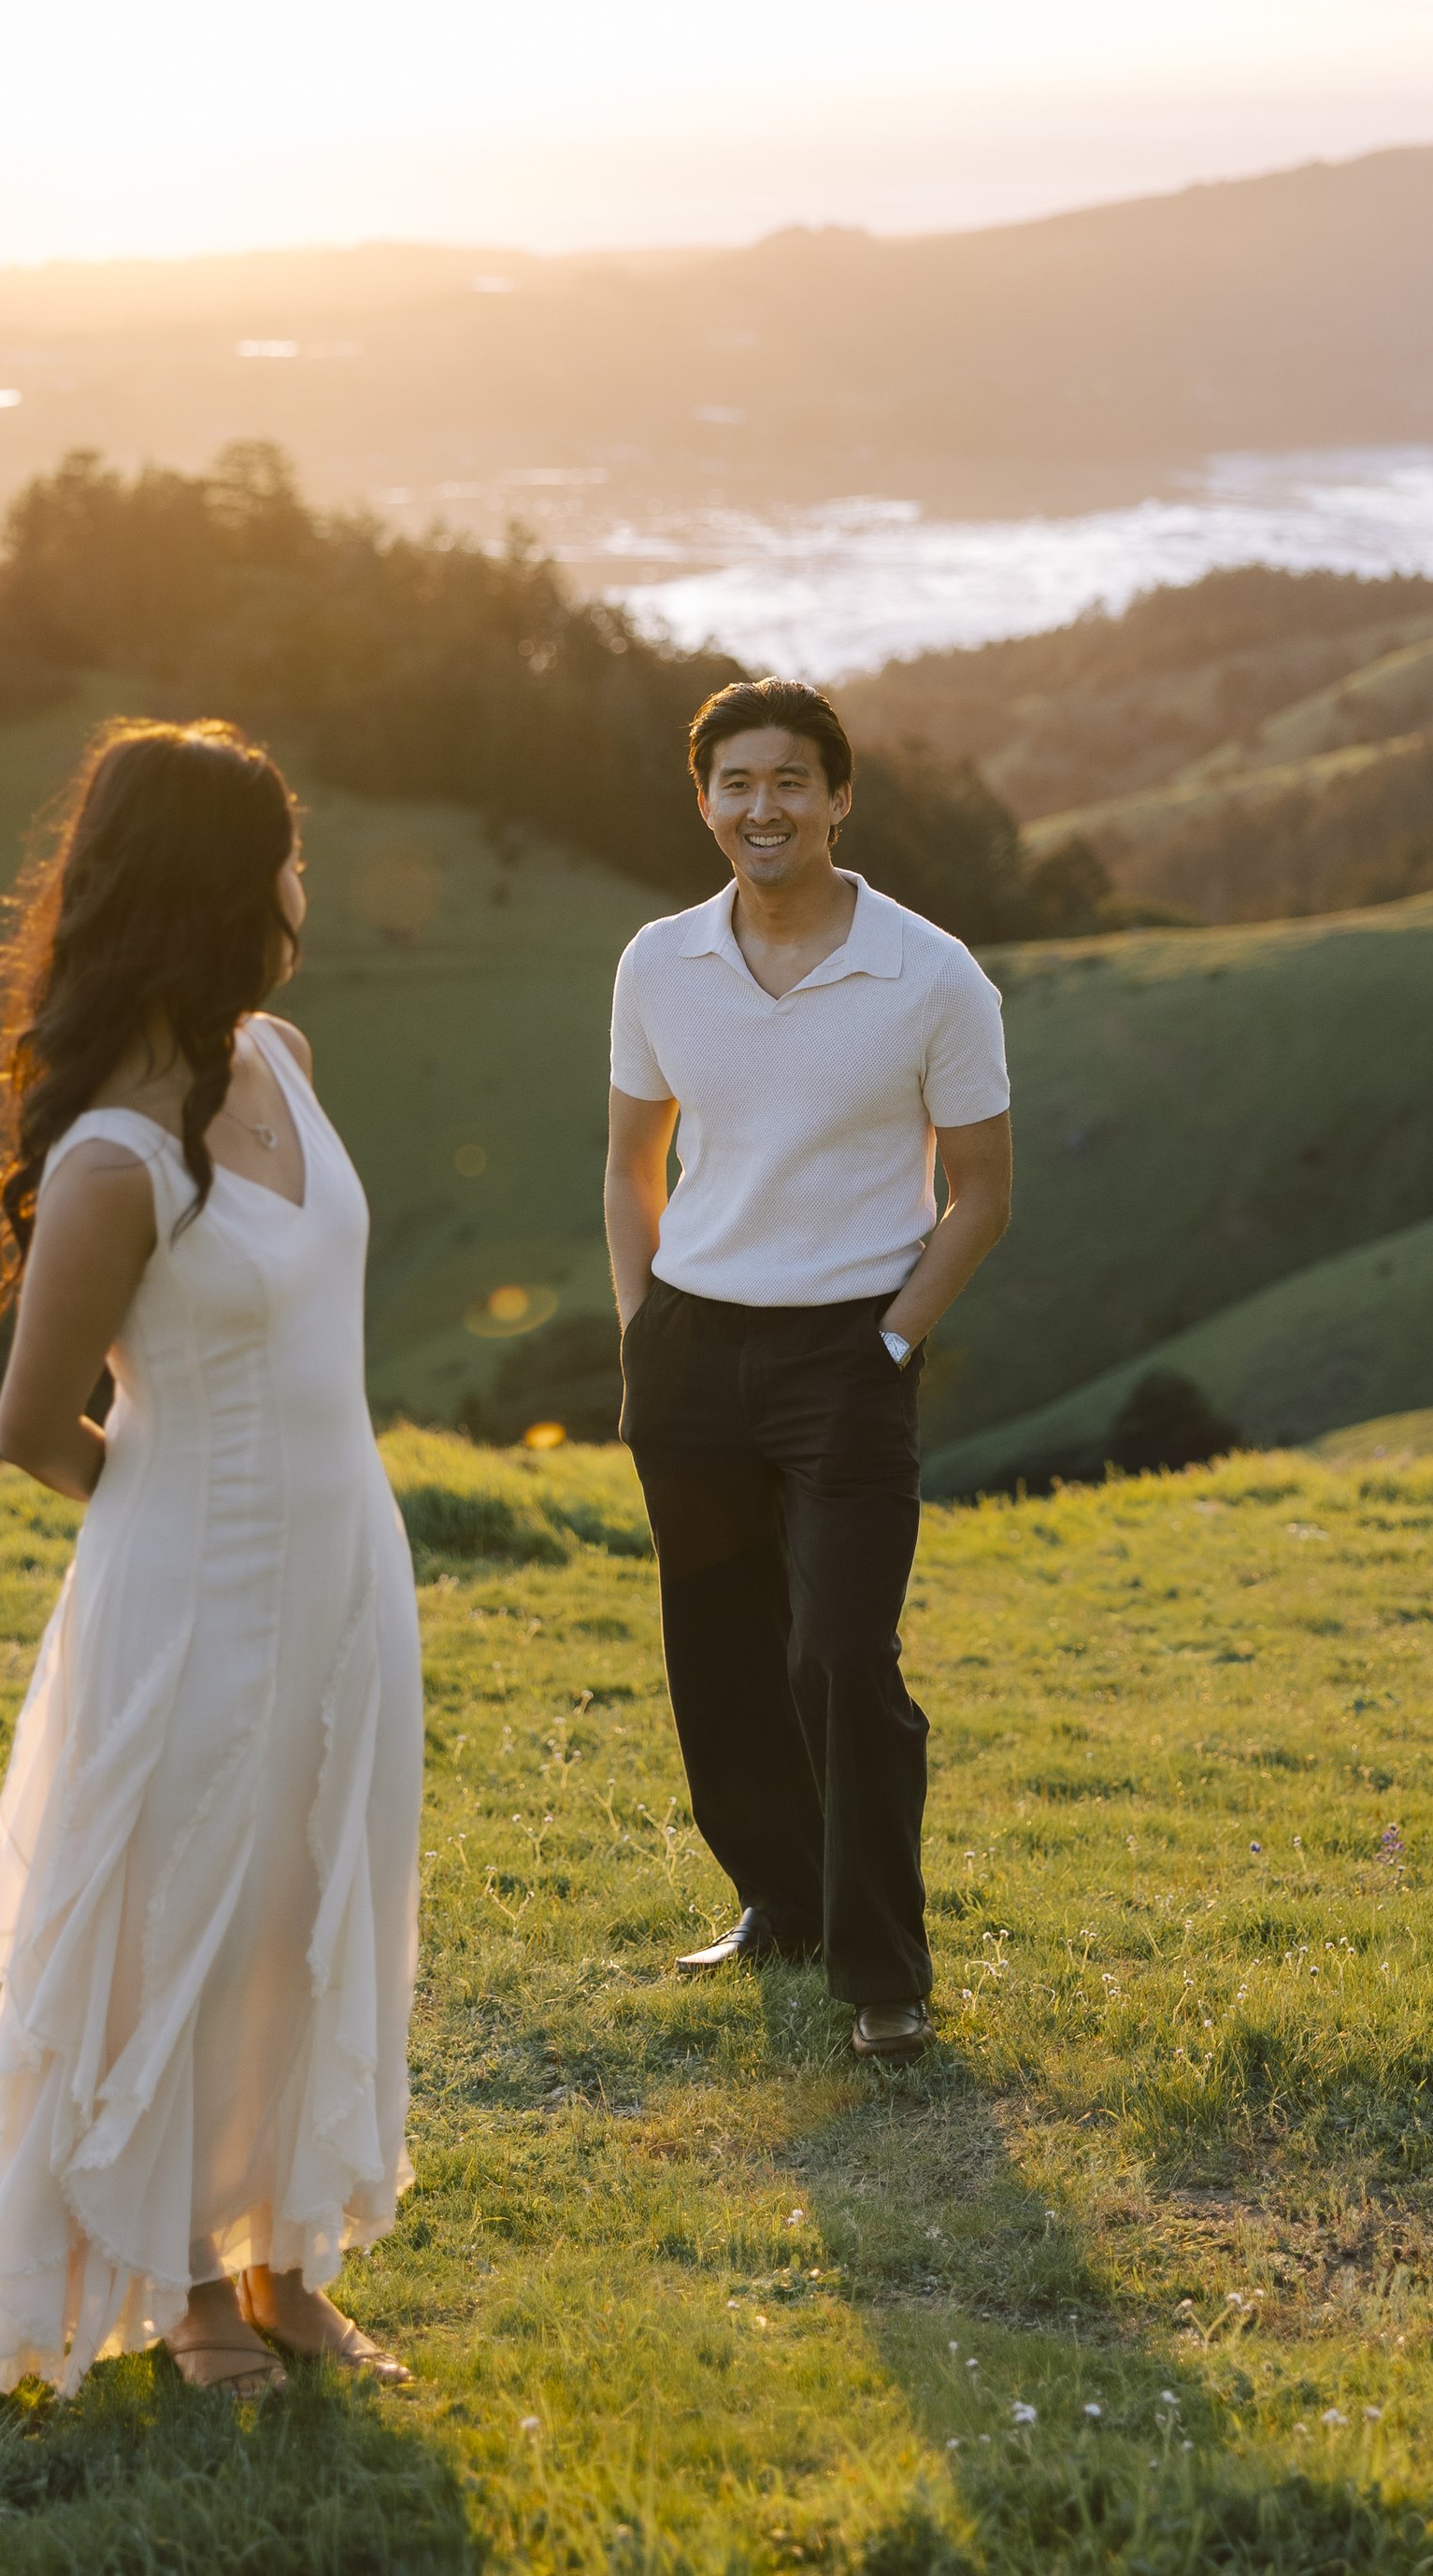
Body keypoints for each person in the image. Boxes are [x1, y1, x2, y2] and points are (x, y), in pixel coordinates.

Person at [0, 718, 420, 2398]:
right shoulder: (113, 1159)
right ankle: (190, 2286)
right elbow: (31, 1421)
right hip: (193, 1589)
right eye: (283, 856)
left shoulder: (278, 1058)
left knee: (308, 1900)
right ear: (226, 886)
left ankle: (283, 2259)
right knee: (192, 1912)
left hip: (347, 1561)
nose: (302, 886)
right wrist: (176, 1514)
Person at [604, 678, 1013, 2063]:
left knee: (841, 1654)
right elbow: (628, 1156)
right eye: (734, 782)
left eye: (790, 781)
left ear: (839, 797)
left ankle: (884, 1972)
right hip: (692, 1347)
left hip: (846, 1349)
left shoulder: (933, 973)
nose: (760, 807)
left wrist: (891, 1339)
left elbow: (980, 1194)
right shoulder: (659, 961)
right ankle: (778, 1902)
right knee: (719, 1656)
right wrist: (639, 1320)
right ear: (704, 800)